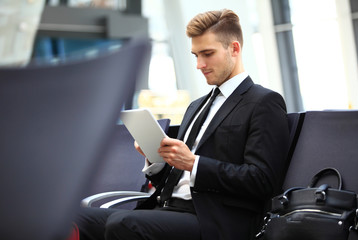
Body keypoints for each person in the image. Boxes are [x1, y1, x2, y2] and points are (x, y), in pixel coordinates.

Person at [75, 9, 290, 240]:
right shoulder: (196, 107)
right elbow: (176, 178)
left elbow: (263, 180)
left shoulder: (263, 102)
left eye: (207, 53)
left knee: (123, 223)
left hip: (216, 219)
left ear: (234, 49)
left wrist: (194, 163)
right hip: (168, 208)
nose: (199, 64)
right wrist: (156, 161)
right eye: (195, 55)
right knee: (77, 218)